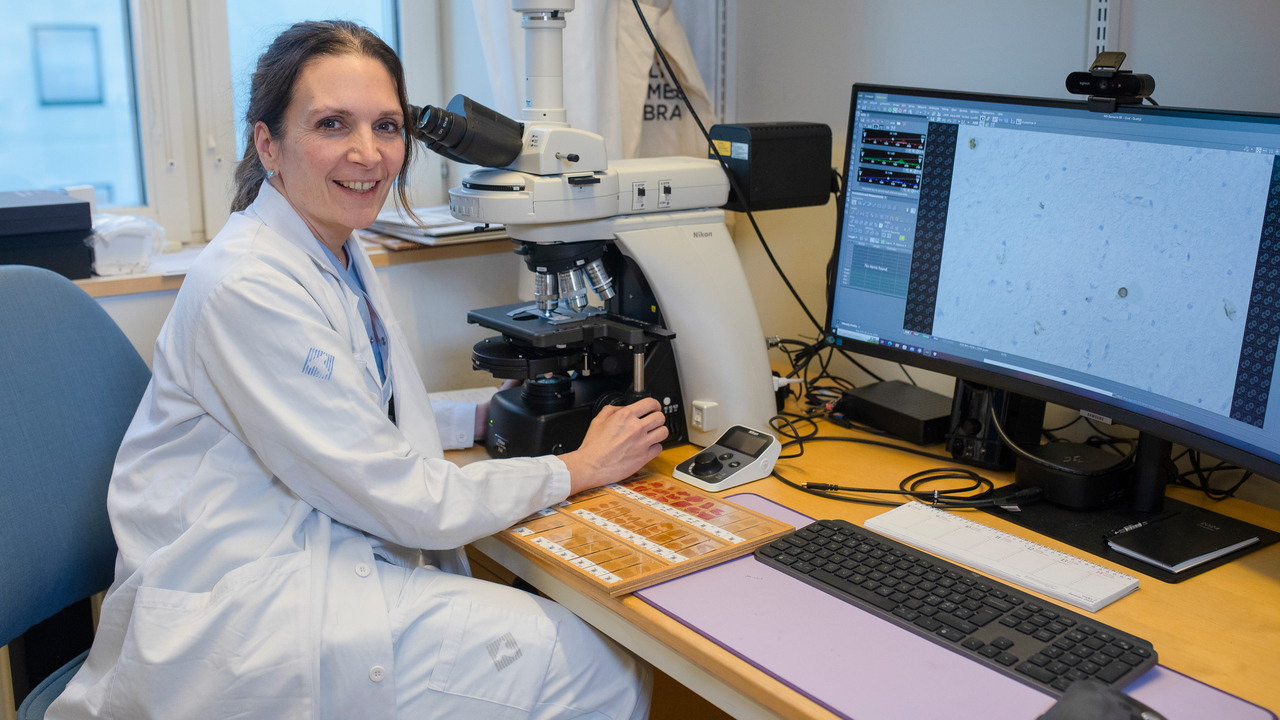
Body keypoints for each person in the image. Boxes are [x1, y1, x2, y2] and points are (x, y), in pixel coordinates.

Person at [49, 20, 666, 720]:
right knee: (596, 669)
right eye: (333, 124)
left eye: (388, 126)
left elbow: (345, 412)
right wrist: (576, 469)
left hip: (316, 542)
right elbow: (399, 492)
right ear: (267, 144)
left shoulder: (334, 244)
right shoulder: (248, 284)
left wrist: (476, 415)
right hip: (251, 601)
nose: (368, 153)